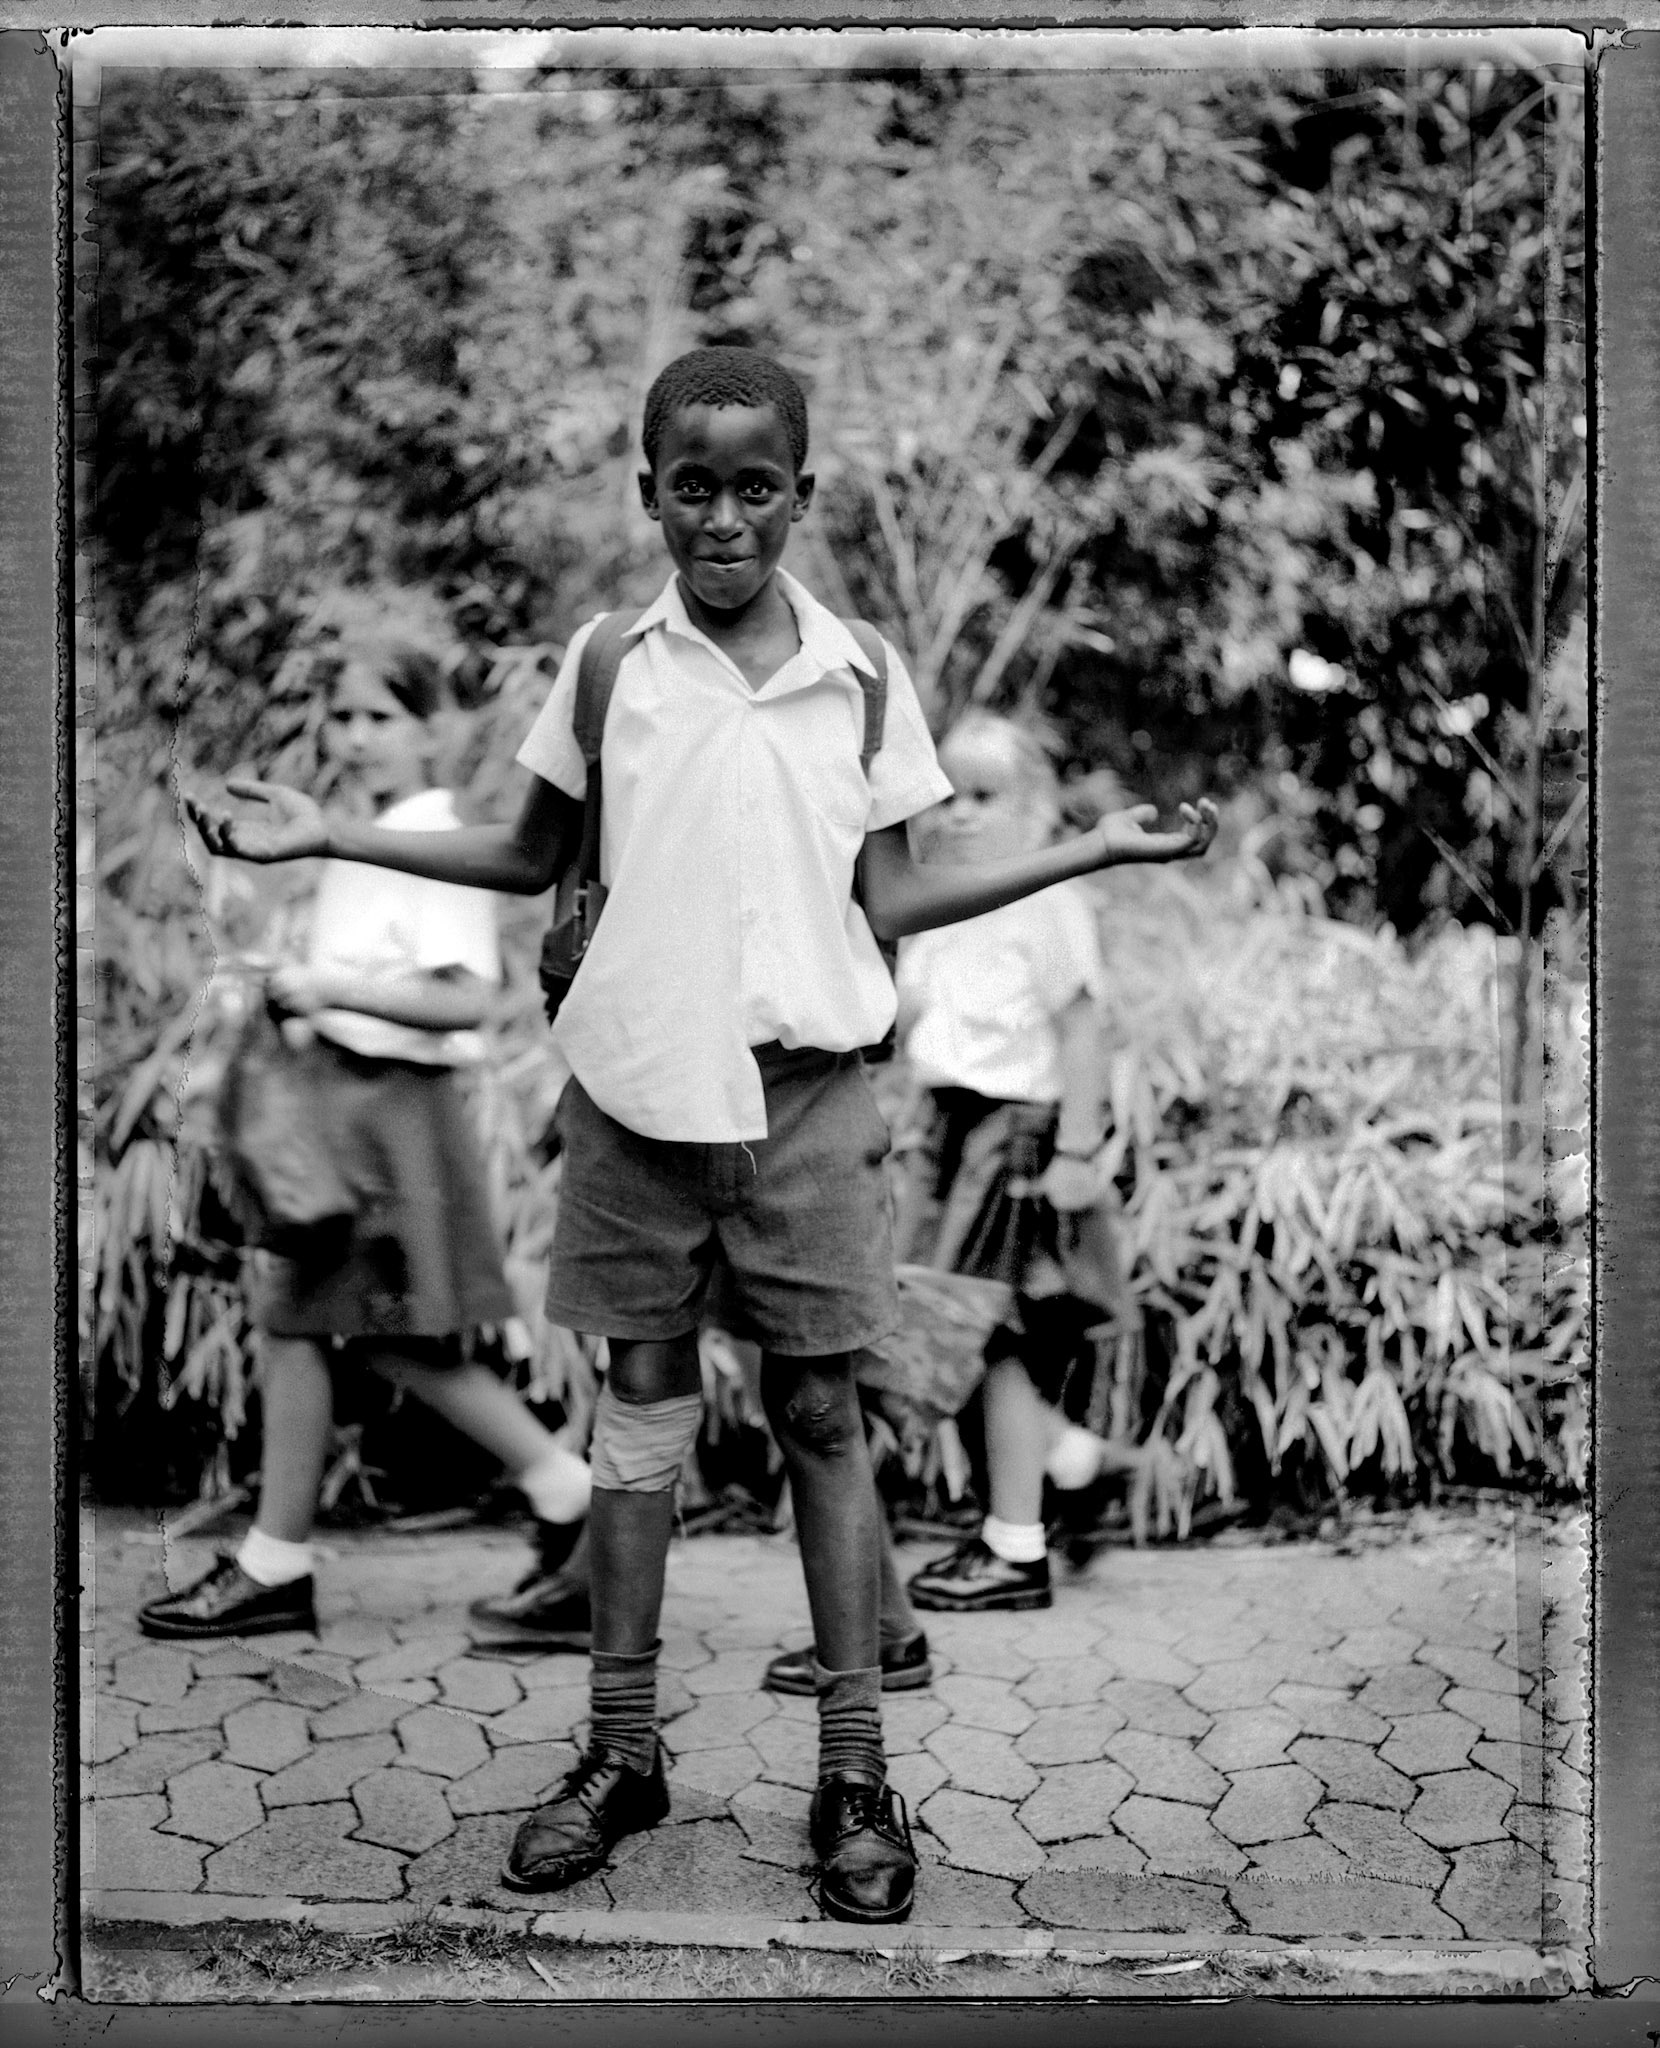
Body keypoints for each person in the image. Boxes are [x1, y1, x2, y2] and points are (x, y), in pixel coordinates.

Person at [186, 345, 1218, 1925]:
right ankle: (620, 1747)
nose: (723, 517)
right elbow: (534, 852)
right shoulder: (612, 664)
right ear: (648, 490)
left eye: (756, 488)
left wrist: (1085, 852)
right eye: (693, 485)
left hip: (812, 1104)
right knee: (641, 1422)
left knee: (821, 1421)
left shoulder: (862, 672)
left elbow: (894, 899)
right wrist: (319, 831)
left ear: (803, 497)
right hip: (638, 1106)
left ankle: (855, 1770)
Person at [141, 624, 593, 1644]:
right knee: (373, 1331)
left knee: (322, 1319)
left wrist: (327, 984)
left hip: (391, 1112)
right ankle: (567, 1492)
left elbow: (470, 998)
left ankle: (277, 1562)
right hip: (341, 1107)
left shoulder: (430, 835)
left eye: (380, 717)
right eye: (341, 715)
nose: (354, 735)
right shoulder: (358, 830)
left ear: (434, 729)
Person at [887, 709, 1153, 1613]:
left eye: (985, 795)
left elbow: (1082, 1028)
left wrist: (1080, 1149)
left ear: (1036, 808)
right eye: (946, 796)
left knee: (982, 1335)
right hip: (950, 1130)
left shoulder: (1046, 900)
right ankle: (1074, 1464)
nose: (958, 813)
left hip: (1013, 1133)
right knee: (940, 1325)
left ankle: (1016, 1546)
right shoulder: (940, 903)